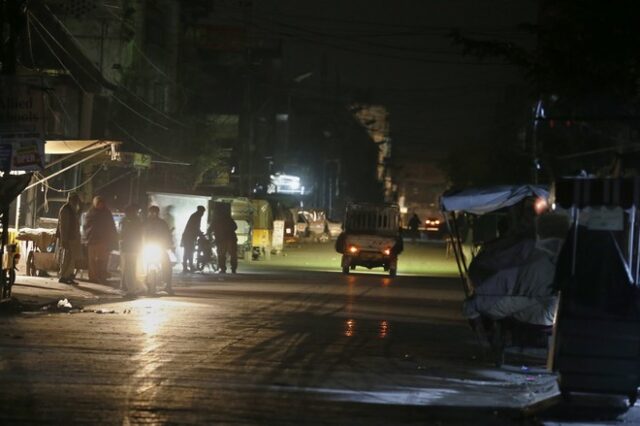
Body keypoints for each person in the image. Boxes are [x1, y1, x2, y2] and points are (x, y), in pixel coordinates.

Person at [83, 196, 118, 283]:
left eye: (102, 204)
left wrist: (112, 239)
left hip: (104, 241)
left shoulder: (107, 213)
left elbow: (111, 226)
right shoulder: (90, 213)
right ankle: (93, 277)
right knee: (92, 260)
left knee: (103, 259)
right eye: (98, 204)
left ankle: (102, 275)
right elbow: (86, 226)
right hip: (92, 240)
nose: (100, 205)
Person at [145, 205, 174, 294]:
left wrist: (169, 244)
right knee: (141, 265)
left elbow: (167, 235)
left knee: (167, 264)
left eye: (155, 212)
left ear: (158, 213)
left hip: (160, 247)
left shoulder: (162, 223)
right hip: (147, 247)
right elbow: (140, 234)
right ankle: (143, 283)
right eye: (151, 212)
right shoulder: (145, 223)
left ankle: (168, 285)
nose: (153, 214)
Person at [57, 192, 82, 284]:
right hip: (68, 238)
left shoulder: (72, 209)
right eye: (75, 199)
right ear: (70, 199)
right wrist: (64, 240)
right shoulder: (66, 209)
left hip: (73, 238)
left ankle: (69, 276)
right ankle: (64, 276)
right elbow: (63, 226)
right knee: (67, 258)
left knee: (72, 258)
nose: (76, 201)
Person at [119, 205, 143, 296]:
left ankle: (130, 289)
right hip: (135, 247)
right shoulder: (138, 220)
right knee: (132, 268)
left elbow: (122, 233)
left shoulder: (126, 220)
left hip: (128, 247)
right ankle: (131, 287)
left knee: (128, 268)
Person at [211, 209, 238, 274]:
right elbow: (235, 227)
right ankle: (233, 269)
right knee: (233, 254)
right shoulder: (229, 219)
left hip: (221, 240)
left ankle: (223, 269)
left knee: (221, 254)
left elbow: (210, 229)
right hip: (231, 239)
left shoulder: (216, 220)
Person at [181, 205, 205, 273]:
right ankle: (189, 267)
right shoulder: (196, 216)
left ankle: (187, 267)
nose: (203, 214)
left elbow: (195, 228)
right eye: (203, 212)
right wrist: (200, 234)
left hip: (188, 236)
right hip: (189, 237)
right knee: (189, 252)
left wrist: (199, 233)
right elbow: (195, 227)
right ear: (201, 211)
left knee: (188, 252)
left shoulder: (195, 216)